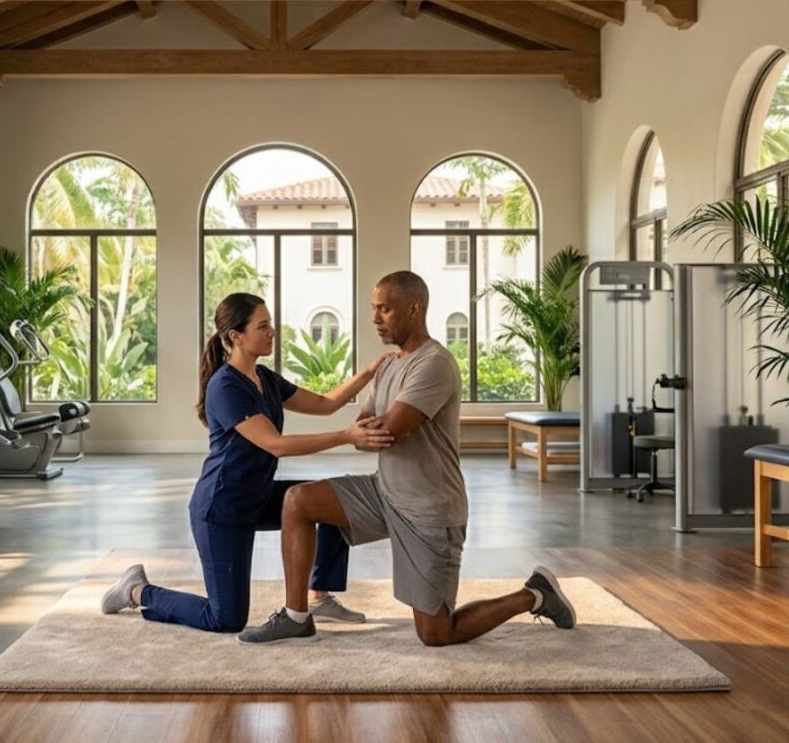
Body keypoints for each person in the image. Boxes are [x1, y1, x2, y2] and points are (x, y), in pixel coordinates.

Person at [238, 271, 577, 645]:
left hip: (429, 510)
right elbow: (365, 424)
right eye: (373, 309)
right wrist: (363, 432)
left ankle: (535, 594)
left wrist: (369, 432)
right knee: (298, 501)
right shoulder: (389, 365)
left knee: (436, 634)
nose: (375, 319)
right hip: (385, 493)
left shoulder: (434, 364)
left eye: (384, 309)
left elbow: (387, 431)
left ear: (413, 308)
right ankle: (296, 616)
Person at [100, 292, 394, 633]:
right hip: (222, 509)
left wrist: (371, 372)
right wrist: (347, 436)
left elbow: (326, 403)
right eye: (263, 326)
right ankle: (137, 590)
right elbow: (276, 445)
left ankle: (318, 596)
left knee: (329, 500)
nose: (272, 332)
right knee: (226, 618)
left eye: (271, 324)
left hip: (259, 495)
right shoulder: (225, 387)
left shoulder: (265, 378)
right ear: (236, 336)